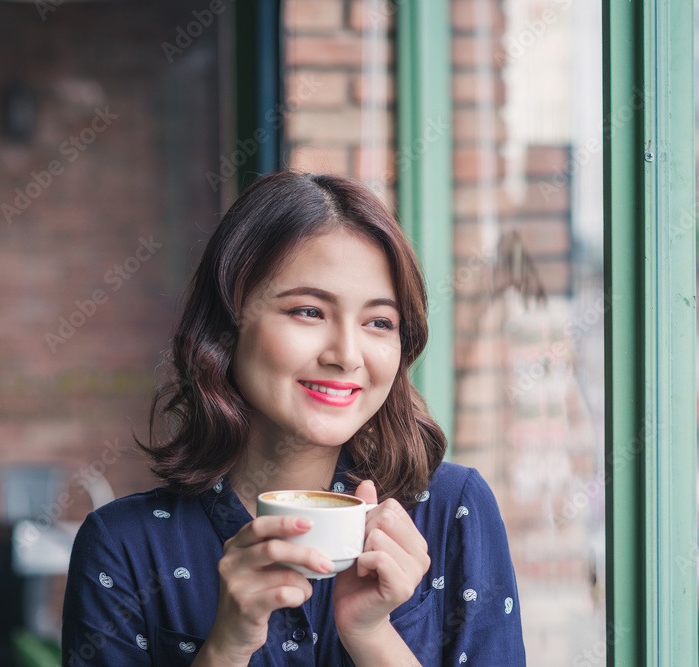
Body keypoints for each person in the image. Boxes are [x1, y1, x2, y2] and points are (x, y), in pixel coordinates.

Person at [61, 171, 526, 666]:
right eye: (308, 311)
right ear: (227, 325)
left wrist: (371, 634)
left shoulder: (454, 509)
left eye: (378, 322)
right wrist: (226, 647)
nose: (347, 355)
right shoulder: (124, 544)